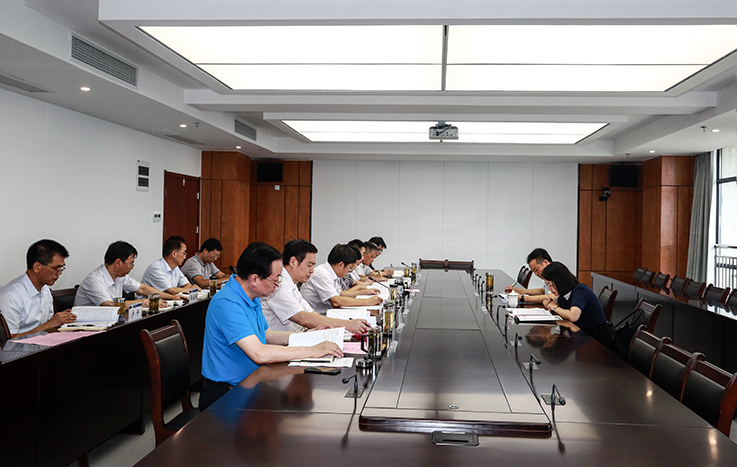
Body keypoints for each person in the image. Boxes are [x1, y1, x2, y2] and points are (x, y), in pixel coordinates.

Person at [200, 243, 343, 410]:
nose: (278, 284)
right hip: (227, 395)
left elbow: (268, 335)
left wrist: (309, 336)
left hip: (253, 382)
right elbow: (259, 353)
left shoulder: (252, 297)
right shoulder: (227, 303)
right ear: (254, 279)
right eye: (275, 279)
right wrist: (312, 350)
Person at [261, 239, 369, 334]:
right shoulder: (278, 284)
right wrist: (347, 325)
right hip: (279, 344)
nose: (312, 271)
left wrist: (345, 323)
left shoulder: (291, 284)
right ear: (293, 262)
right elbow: (302, 318)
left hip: (294, 336)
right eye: (309, 265)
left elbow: (311, 314)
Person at [0, 240, 76, 337]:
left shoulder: (45, 289)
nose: (60, 273)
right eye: (56, 268)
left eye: (61, 268)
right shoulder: (10, 296)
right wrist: (50, 324)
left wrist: (62, 321)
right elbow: (9, 340)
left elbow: (48, 327)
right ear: (37, 267)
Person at [75, 241, 181, 307]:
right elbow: (109, 306)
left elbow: (142, 289)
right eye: (131, 263)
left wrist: (172, 297)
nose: (132, 267)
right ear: (118, 262)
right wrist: (143, 302)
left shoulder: (120, 277)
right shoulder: (95, 280)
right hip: (86, 328)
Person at [300, 244, 383, 314]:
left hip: (329, 313)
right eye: (350, 268)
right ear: (340, 265)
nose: (349, 272)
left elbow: (341, 294)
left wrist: (365, 292)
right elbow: (336, 301)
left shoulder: (331, 273)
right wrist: (367, 302)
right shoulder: (321, 274)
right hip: (319, 317)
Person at [540, 261, 608, 340]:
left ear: (560, 281)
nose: (549, 289)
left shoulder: (581, 291)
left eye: (550, 285)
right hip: (581, 335)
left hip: (595, 339)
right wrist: (553, 304)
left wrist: (555, 307)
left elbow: (573, 316)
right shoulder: (564, 295)